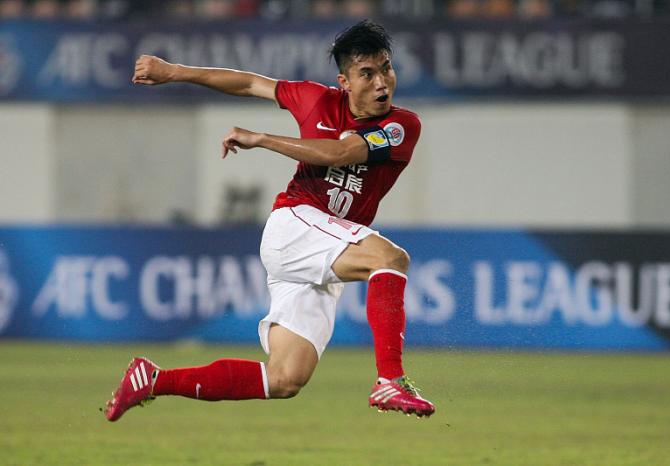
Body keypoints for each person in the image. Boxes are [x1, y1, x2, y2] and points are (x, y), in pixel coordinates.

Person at [104, 20, 435, 421]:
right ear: (345, 82)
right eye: (368, 73)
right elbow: (248, 83)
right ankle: (390, 380)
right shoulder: (315, 99)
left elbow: (340, 153)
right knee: (390, 258)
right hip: (295, 224)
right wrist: (174, 72)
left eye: (387, 68)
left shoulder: (402, 126)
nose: (382, 82)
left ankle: (152, 381)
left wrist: (262, 139)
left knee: (284, 378)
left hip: (319, 249)